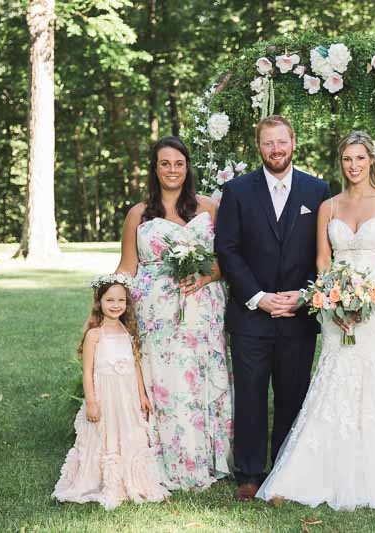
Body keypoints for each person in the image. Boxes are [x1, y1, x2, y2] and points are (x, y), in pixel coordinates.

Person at [256, 131, 375, 510]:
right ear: (341, 163)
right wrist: (334, 300)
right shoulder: (328, 206)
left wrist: (368, 299)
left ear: (371, 161)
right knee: (336, 375)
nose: (354, 165)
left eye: (360, 158)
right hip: (335, 306)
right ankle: (314, 472)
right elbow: (322, 260)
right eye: (347, 159)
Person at [215, 115, 331, 502]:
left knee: (291, 395)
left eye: (282, 142)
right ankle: (249, 473)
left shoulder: (318, 190)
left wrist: (304, 295)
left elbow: (324, 253)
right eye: (268, 143)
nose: (276, 149)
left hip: (298, 315)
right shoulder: (237, 190)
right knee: (250, 396)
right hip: (250, 315)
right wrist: (258, 297)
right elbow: (227, 249)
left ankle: (284, 470)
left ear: (293, 142)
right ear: (258, 147)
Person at [116, 136, 232, 491]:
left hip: (203, 310)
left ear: (187, 167)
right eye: (165, 163)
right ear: (155, 168)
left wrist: (205, 276)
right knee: (166, 383)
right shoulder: (138, 214)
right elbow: (127, 267)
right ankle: (164, 459)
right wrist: (108, 302)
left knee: (198, 381)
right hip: (156, 314)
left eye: (178, 163)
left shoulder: (209, 207)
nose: (172, 170)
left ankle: (207, 457)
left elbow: (228, 259)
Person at [52, 274, 170, 510]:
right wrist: (91, 402)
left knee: (128, 434)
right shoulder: (94, 335)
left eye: (121, 300)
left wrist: (142, 395)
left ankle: (130, 478)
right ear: (99, 302)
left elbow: (135, 366)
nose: (116, 305)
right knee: (104, 436)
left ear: (127, 303)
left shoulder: (127, 331)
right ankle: (100, 480)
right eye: (110, 300)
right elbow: (87, 372)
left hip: (126, 398)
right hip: (104, 397)